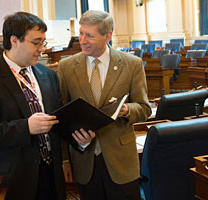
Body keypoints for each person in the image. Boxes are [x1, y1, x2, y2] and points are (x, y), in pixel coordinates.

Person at [0, 12, 84, 200]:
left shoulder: (48, 75)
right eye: (36, 42)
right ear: (14, 40)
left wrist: (81, 135)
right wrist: (25, 127)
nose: (42, 49)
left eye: (43, 42)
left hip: (50, 175)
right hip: (12, 179)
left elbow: (58, 121)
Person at [58, 10, 152, 200]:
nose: (82, 40)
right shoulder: (66, 66)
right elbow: (61, 117)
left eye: (89, 35)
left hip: (121, 162)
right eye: (81, 33)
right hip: (85, 161)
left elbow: (144, 108)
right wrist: (66, 160)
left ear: (108, 36)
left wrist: (125, 109)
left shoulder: (132, 64)